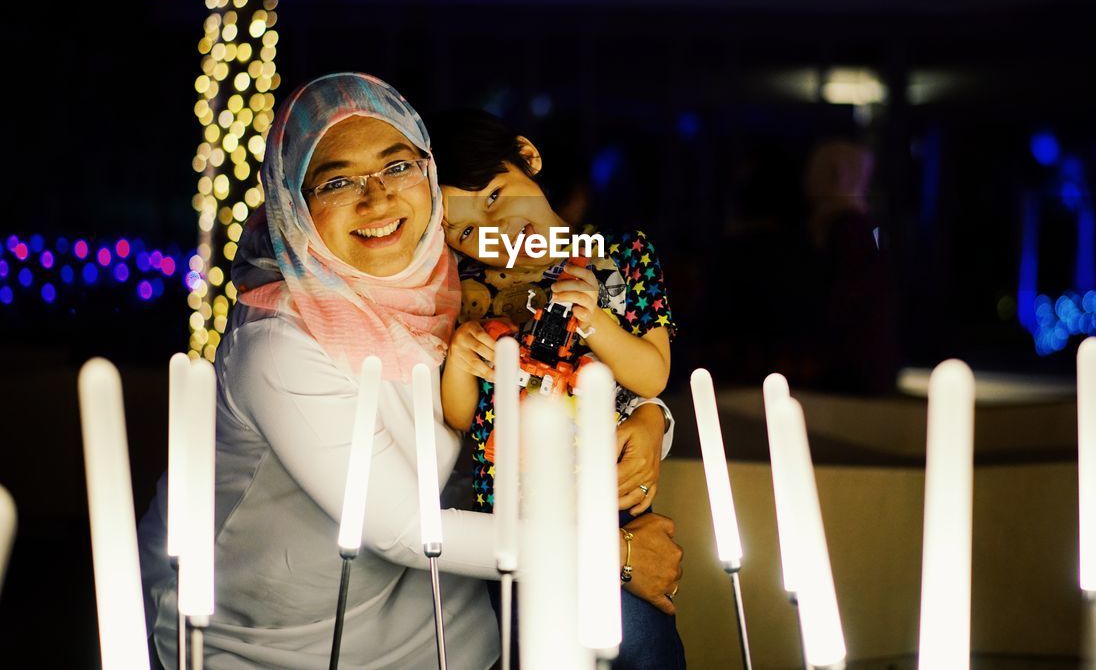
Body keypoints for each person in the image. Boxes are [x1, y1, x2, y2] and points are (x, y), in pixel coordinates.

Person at [136, 74, 683, 668]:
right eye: (337, 181)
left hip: (446, 622)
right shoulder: (279, 342)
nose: (377, 201)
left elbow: (564, 375)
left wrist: (653, 419)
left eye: (397, 168)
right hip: (270, 644)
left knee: (623, 632)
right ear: (293, 201)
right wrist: (613, 553)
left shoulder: (459, 278)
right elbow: (400, 528)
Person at [427, 108, 686, 669]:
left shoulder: (623, 254)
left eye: (494, 197)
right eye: (466, 230)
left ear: (528, 157)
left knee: (641, 645)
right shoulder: (465, 288)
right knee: (537, 647)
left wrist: (597, 323)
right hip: (510, 517)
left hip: (606, 500)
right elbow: (461, 420)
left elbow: (653, 374)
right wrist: (457, 363)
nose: (493, 233)